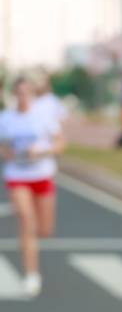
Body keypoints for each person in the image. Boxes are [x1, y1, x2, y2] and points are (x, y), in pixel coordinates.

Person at [0, 75, 66, 297]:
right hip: (17, 175)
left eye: (27, 93)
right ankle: (31, 274)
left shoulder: (43, 117)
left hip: (42, 174)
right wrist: (6, 152)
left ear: (33, 95)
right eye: (19, 93)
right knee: (26, 221)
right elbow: (2, 146)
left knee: (44, 230)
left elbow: (60, 144)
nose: (23, 97)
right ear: (14, 94)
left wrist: (42, 151)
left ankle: (35, 242)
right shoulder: (6, 119)